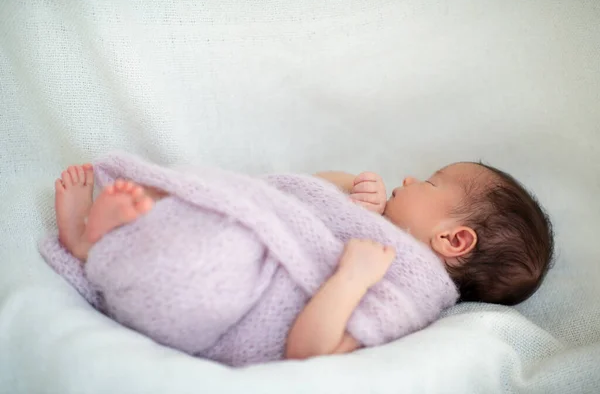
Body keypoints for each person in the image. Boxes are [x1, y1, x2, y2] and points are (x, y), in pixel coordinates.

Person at [52, 161, 554, 360]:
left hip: (240, 307)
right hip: (260, 249)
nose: (406, 182)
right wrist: (346, 192)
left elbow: (311, 351)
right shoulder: (377, 228)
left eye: (428, 182)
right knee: (216, 218)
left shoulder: (413, 293)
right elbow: (297, 199)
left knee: (218, 257)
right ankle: (117, 234)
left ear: (455, 240)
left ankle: (92, 245)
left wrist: (351, 279)